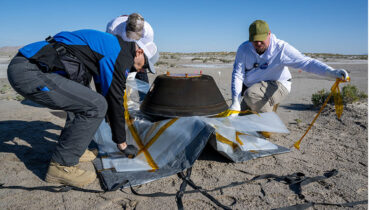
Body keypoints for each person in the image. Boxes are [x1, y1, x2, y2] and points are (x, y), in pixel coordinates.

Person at [7, 29, 157, 187]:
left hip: (31, 66)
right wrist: (122, 144)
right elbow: (114, 99)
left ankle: (75, 149)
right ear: (139, 51)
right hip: (30, 71)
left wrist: (111, 124)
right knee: (96, 105)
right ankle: (61, 166)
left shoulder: (113, 47)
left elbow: (106, 92)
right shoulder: (121, 54)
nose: (142, 70)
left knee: (85, 99)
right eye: (145, 65)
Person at [230, 20, 349, 114]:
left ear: (269, 34)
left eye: (261, 39)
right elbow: (238, 74)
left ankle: (269, 128)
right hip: (254, 86)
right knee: (242, 115)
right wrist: (235, 101)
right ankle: (266, 107)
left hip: (278, 83)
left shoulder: (281, 49)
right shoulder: (244, 49)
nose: (258, 43)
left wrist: (331, 72)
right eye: (255, 40)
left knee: (251, 96)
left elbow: (307, 63)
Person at [106, 13, 158, 89]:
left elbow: (147, 49)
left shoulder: (148, 31)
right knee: (120, 71)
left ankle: (144, 96)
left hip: (137, 48)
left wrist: (140, 63)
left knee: (141, 67)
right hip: (119, 46)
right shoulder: (113, 27)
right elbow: (110, 48)